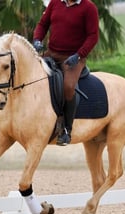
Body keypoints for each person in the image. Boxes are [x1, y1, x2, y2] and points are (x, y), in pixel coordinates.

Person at [33, 0, 99, 146]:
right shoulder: (55, 3)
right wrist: (37, 39)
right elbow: (42, 24)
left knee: (68, 87)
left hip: (73, 58)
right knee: (32, 77)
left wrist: (79, 55)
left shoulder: (89, 7)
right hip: (51, 53)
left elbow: (93, 36)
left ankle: (67, 130)